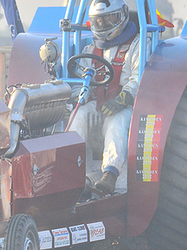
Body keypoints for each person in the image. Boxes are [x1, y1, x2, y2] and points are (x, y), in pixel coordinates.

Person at [69, 0, 148, 195]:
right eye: (99, 21)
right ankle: (70, 172)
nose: (103, 25)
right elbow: (82, 82)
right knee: (76, 116)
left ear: (122, 16)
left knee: (116, 124)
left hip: (125, 105)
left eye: (109, 19)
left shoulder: (138, 44)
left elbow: (139, 79)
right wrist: (79, 97)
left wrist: (122, 100)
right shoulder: (89, 49)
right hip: (97, 102)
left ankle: (110, 175)